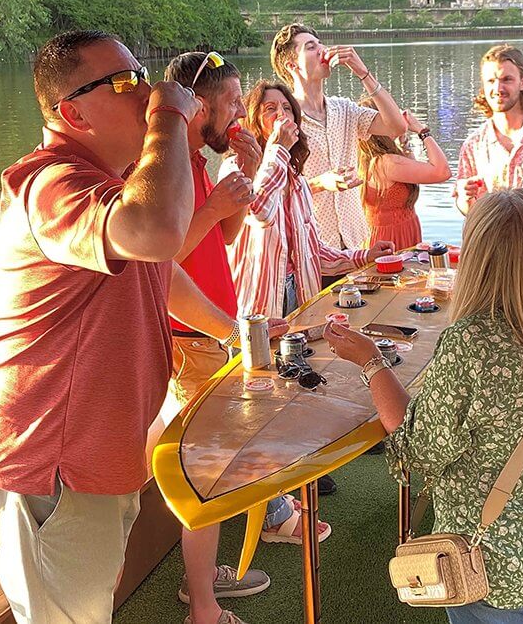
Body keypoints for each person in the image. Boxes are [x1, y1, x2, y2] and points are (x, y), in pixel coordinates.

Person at [0, 30, 256, 624]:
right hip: (49, 465)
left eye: (143, 75)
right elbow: (158, 233)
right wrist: (170, 114)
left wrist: (235, 334)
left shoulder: (113, 186)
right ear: (73, 113)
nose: (145, 90)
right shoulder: (50, 184)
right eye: (123, 82)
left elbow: (161, 274)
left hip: (95, 458)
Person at [325, 188, 523, 624]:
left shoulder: (473, 342)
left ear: (477, 254)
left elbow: (417, 448)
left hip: (486, 560)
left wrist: (371, 361)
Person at [162, 52, 324, 624]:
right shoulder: (165, 168)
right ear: (198, 105)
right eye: (232, 102)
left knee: (222, 456)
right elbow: (157, 262)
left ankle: (209, 574)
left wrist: (244, 177)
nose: (239, 112)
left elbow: (227, 235)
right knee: (206, 473)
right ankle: (202, 605)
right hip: (190, 337)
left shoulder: (198, 159)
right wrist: (211, 206)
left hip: (215, 328)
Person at [224, 79, 395, 320]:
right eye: (270, 109)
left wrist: (365, 255)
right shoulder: (236, 167)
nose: (281, 115)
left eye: (287, 108)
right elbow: (260, 211)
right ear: (254, 121)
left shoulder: (297, 180)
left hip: (300, 294)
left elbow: (314, 252)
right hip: (258, 305)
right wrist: (278, 148)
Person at [270, 23, 405, 273]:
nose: (323, 50)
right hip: (312, 248)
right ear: (292, 65)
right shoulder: (285, 119)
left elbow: (397, 127)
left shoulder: (344, 109)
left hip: (355, 242)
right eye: (311, 47)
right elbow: (274, 191)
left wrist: (363, 73)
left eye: (320, 43)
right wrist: (321, 183)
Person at [455, 44, 523, 216]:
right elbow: (468, 210)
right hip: (495, 232)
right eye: (491, 81)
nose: (498, 89)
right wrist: (465, 197)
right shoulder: (473, 145)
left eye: (507, 79)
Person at [357, 98, 451, 249]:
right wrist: (422, 131)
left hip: (383, 234)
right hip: (394, 237)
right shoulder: (387, 163)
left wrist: (403, 143)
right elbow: (442, 171)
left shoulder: (366, 159)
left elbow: (413, 178)